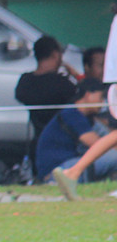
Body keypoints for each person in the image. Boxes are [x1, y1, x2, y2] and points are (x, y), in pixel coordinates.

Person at [37, 78, 117, 184]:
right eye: (100, 97)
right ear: (88, 94)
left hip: (67, 163)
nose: (102, 102)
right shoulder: (72, 114)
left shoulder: (84, 116)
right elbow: (95, 143)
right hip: (58, 169)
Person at [14, 36, 77, 165]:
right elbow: (82, 99)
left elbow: (20, 96)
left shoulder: (25, 81)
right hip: (62, 143)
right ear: (55, 54)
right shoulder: (62, 83)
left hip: (37, 142)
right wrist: (75, 75)